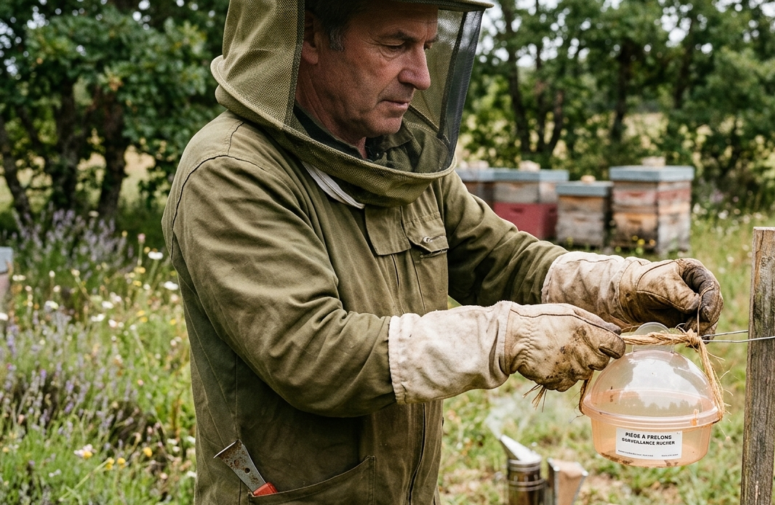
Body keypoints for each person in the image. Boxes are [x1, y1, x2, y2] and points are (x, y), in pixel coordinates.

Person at [161, 0, 723, 503]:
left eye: (427, 46)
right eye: (395, 44)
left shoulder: (400, 157)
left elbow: (499, 257)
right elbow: (312, 353)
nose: (421, 75)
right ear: (308, 35)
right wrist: (506, 338)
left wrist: (624, 284)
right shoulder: (232, 172)